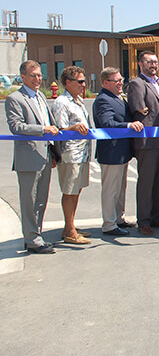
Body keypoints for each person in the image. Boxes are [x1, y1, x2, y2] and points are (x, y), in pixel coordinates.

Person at [6, 60, 59, 254]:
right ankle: (31, 239)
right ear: (23, 77)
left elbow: (51, 124)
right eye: (33, 75)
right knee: (29, 200)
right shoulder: (15, 99)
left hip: (45, 154)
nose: (38, 79)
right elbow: (17, 126)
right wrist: (42, 129)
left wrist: (54, 152)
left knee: (41, 200)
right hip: (28, 156)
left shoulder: (41, 97)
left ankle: (36, 235)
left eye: (39, 75)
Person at [92, 67, 143, 236]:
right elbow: (107, 123)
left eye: (121, 79)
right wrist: (128, 125)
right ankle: (109, 224)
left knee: (120, 188)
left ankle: (118, 218)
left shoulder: (118, 98)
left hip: (122, 152)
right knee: (110, 190)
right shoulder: (103, 100)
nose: (121, 83)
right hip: (111, 152)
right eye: (117, 81)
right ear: (106, 83)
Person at [127, 50, 159, 236]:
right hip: (147, 142)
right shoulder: (137, 84)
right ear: (140, 64)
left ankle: (157, 216)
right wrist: (143, 109)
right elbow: (139, 108)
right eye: (149, 62)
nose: (153, 65)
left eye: (155, 62)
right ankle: (143, 220)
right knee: (146, 183)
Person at [51, 66, 92, 245]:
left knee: (77, 190)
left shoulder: (78, 100)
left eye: (84, 81)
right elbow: (59, 130)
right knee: (69, 191)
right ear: (68, 82)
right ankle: (69, 231)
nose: (83, 85)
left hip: (82, 153)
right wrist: (73, 128)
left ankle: (71, 225)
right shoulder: (62, 102)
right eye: (80, 81)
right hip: (70, 154)